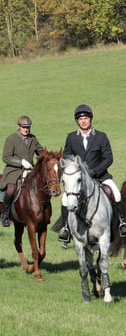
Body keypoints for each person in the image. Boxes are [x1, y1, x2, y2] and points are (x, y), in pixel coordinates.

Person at [58, 104, 126, 242]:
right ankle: (65, 228)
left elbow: (108, 158)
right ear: (77, 121)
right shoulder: (71, 137)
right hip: (79, 179)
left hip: (100, 176)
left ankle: (122, 223)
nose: (83, 121)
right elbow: (66, 157)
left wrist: (95, 171)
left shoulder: (101, 136)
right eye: (81, 119)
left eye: (86, 118)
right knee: (65, 199)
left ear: (90, 119)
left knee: (116, 193)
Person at [0, 116, 43, 227]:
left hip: (30, 169)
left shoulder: (33, 138)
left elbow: (41, 152)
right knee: (10, 189)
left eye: (28, 127)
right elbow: (6, 157)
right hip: (14, 170)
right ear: (19, 127)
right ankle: (5, 214)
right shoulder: (11, 139)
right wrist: (20, 162)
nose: (26, 129)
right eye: (24, 127)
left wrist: (49, 158)